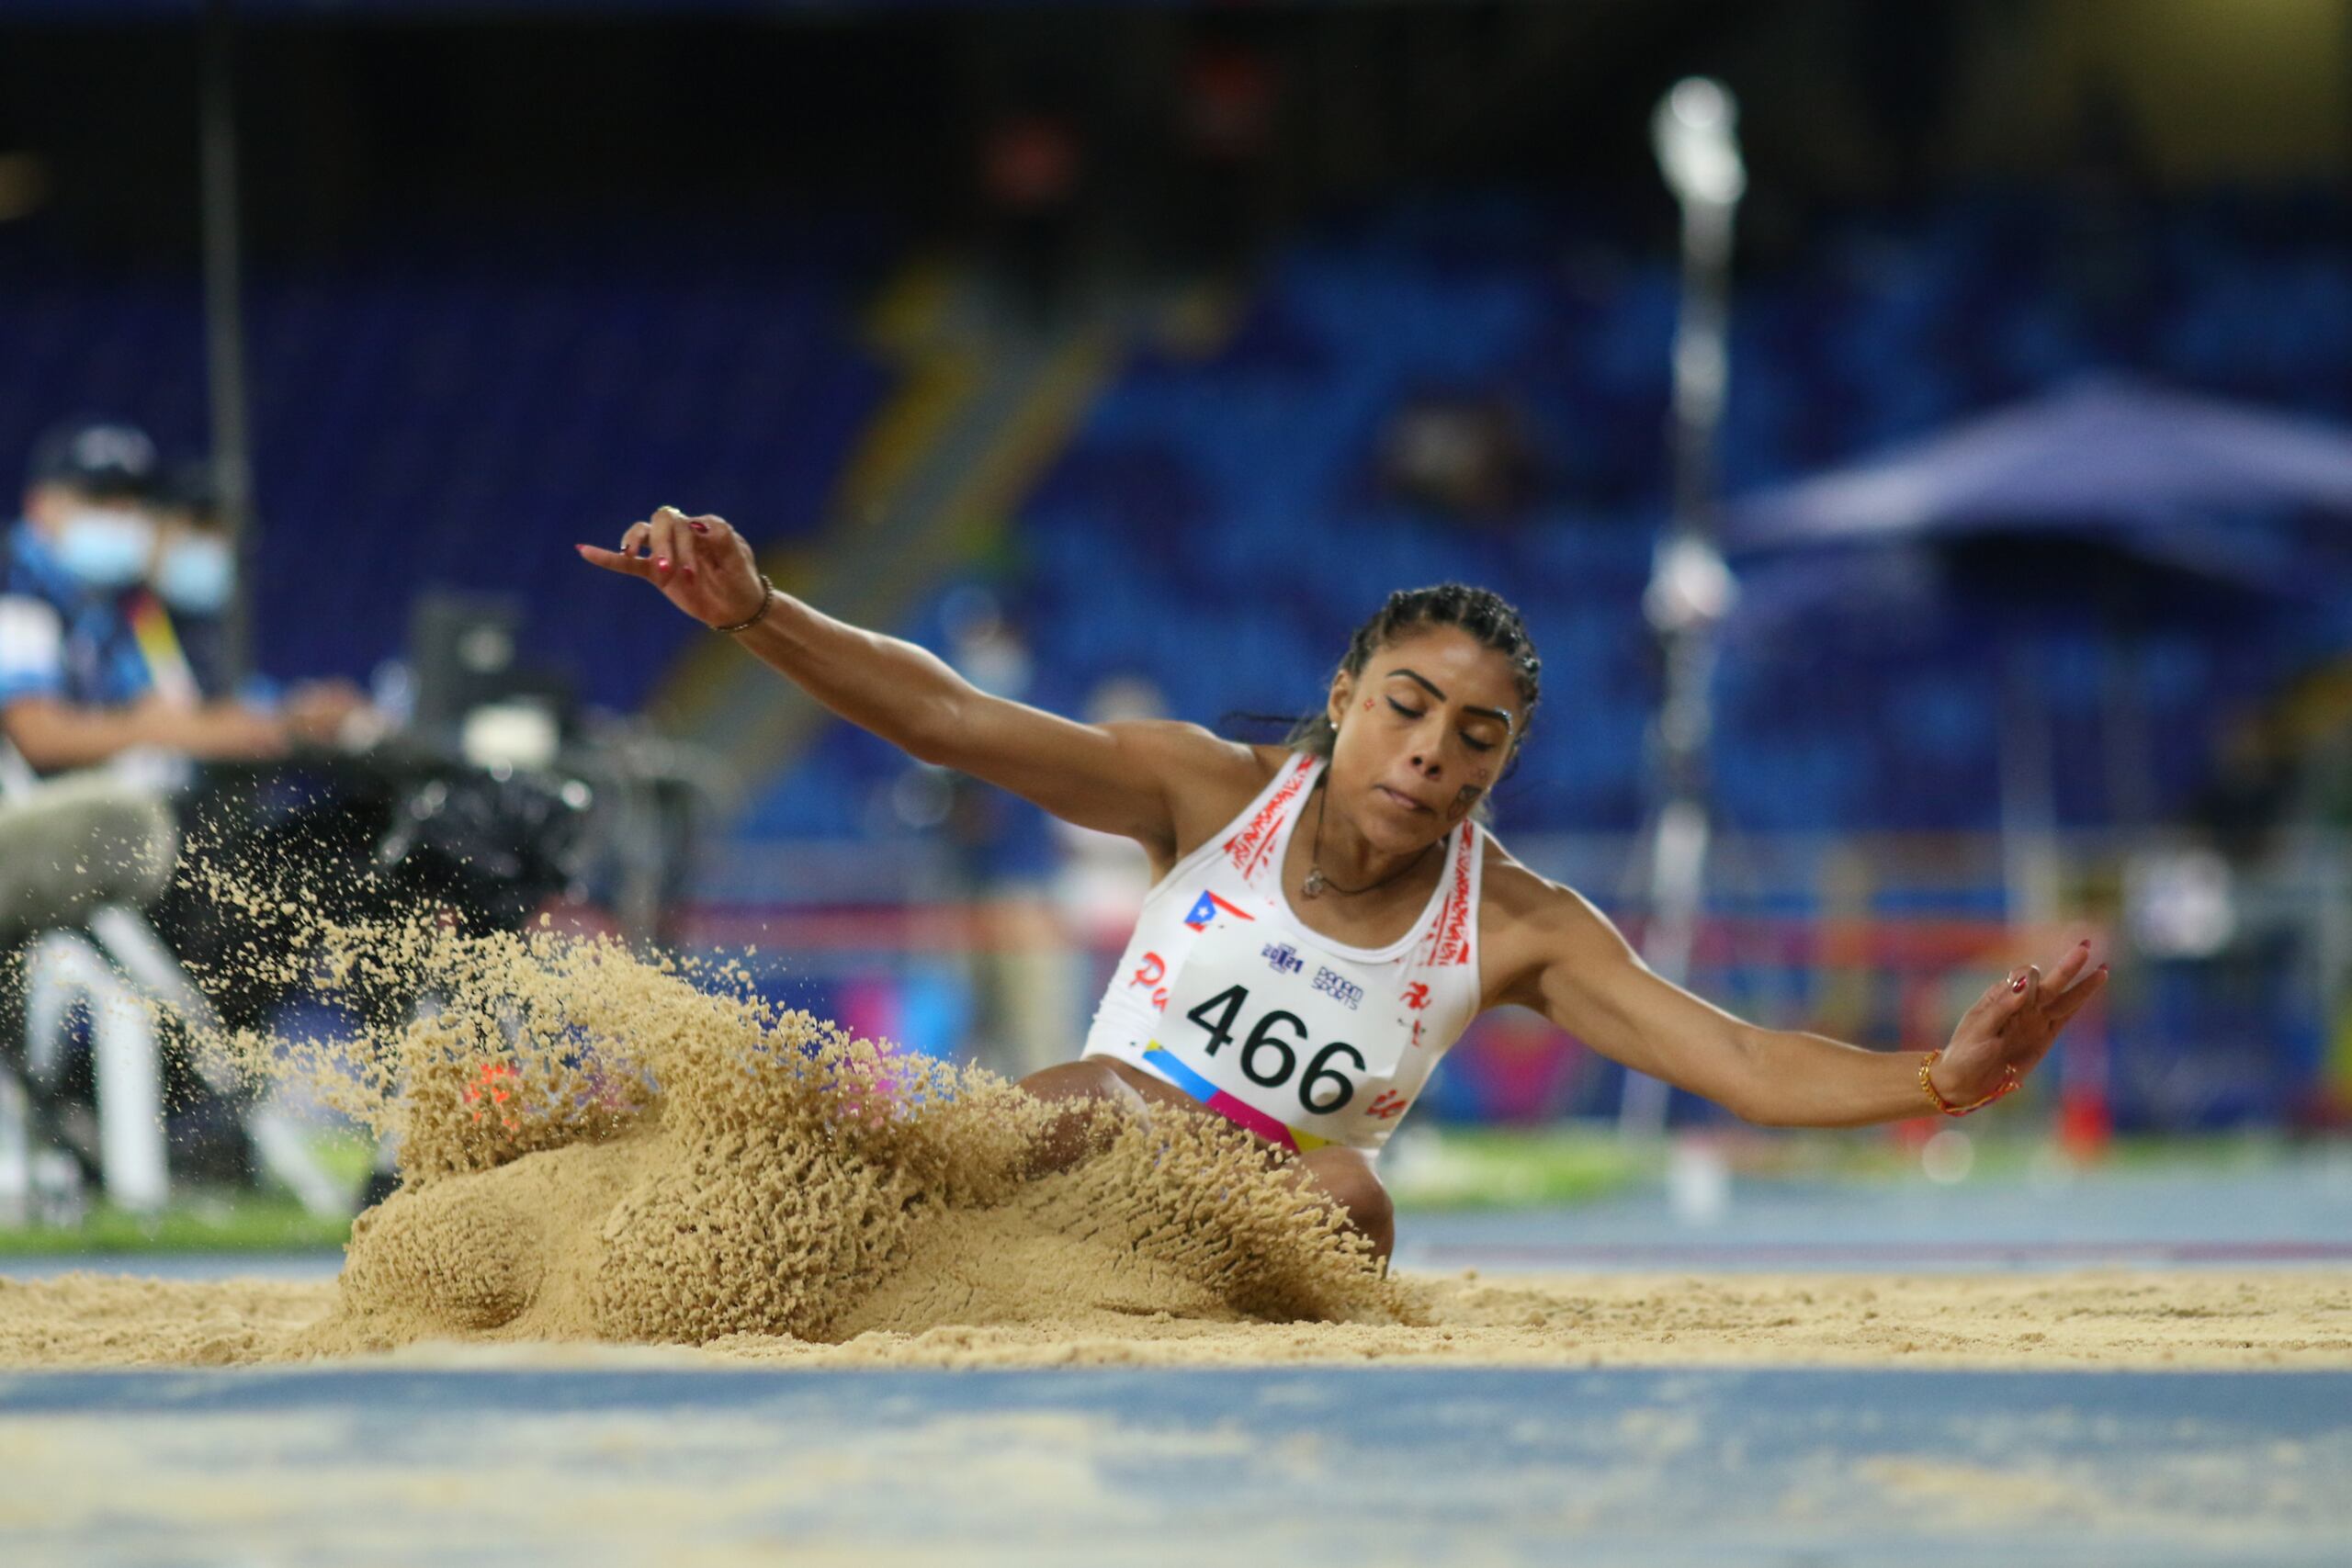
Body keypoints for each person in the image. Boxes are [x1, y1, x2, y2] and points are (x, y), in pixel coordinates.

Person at [581, 506, 2109, 1262]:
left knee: (1350, 1196)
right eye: (1407, 705)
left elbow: (1742, 1060)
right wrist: (759, 612)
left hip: (1261, 1230)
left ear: (1500, 766)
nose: (1432, 752)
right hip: (1071, 1145)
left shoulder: (1517, 926)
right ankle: (673, 1202)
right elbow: (950, 718)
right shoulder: (1205, 793)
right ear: (1344, 693)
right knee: (1081, 1100)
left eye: (1475, 735)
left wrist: (1945, 1077)